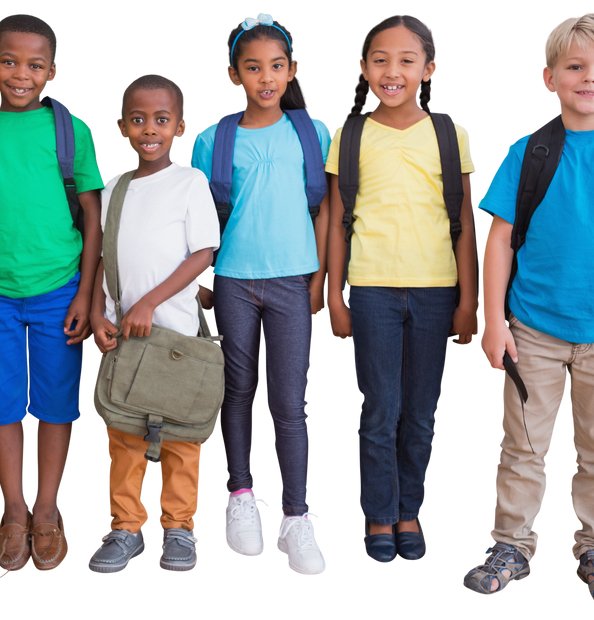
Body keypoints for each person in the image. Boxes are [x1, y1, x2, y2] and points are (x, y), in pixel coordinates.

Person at [461, 11, 594, 609]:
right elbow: (499, 238)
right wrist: (492, 319)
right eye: (575, 66)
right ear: (547, 77)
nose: (590, 78)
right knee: (524, 446)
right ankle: (511, 546)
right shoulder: (529, 149)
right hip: (532, 331)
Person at [0, 11, 104, 581]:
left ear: (53, 72)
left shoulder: (73, 130)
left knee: (58, 403)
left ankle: (47, 509)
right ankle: (11, 510)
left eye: (34, 65)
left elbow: (92, 219)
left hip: (58, 290)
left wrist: (86, 295)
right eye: (9, 61)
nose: (21, 74)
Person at [324, 12, 479, 566]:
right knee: (379, 407)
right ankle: (378, 514)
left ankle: (410, 510)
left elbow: (463, 220)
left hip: (437, 291)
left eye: (406, 60)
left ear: (428, 69)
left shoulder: (449, 133)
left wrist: (470, 299)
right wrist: (334, 298)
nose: (393, 71)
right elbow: (339, 218)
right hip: (370, 291)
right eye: (380, 60)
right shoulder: (349, 134)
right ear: (364, 69)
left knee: (421, 409)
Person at [188, 11, 331, 578]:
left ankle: (296, 516)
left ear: (291, 70)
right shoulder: (210, 138)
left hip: (294, 281)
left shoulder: (314, 132)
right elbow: (199, 217)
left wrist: (320, 281)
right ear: (233, 75)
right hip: (231, 281)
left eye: (276, 66)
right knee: (237, 392)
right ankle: (241, 498)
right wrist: (200, 283)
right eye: (252, 68)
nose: (265, 78)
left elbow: (324, 210)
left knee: (290, 402)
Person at [85, 71, 220, 576]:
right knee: (124, 434)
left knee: (183, 439)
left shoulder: (189, 182)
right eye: (138, 120)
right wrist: (100, 312)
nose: (149, 129)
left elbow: (203, 253)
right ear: (121, 127)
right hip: (124, 339)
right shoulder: (114, 188)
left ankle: (180, 529)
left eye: (161, 120)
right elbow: (101, 258)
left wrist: (149, 302)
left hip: (176, 337)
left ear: (180, 127)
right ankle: (125, 528)